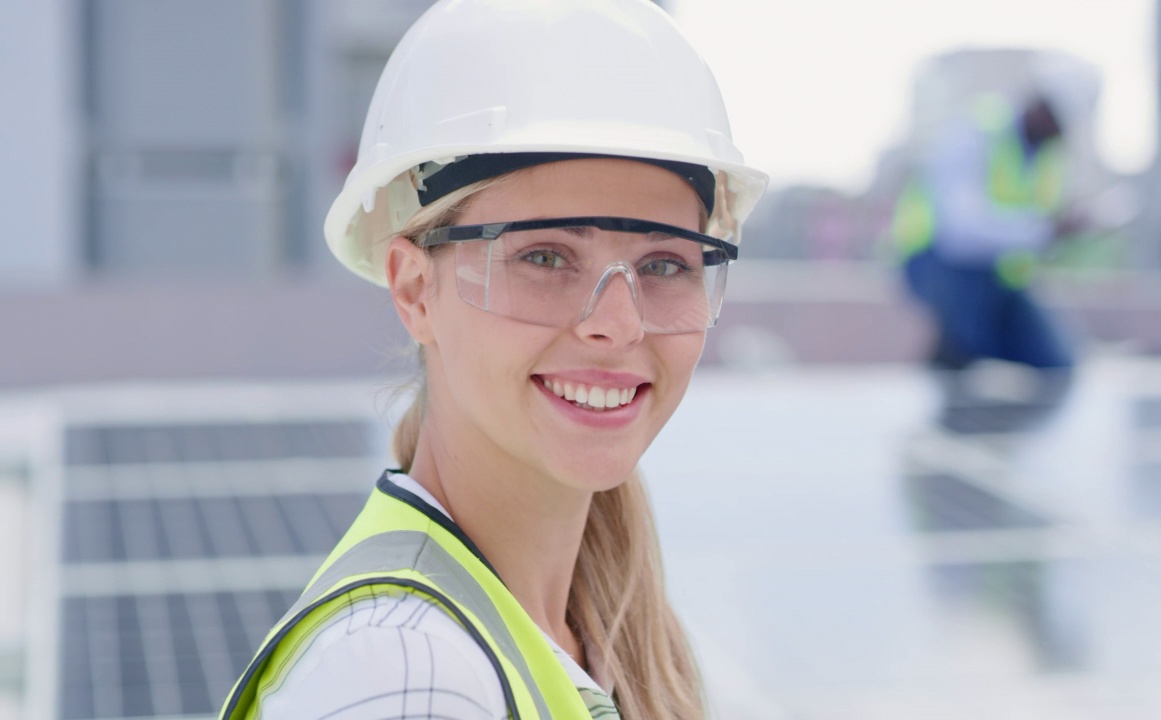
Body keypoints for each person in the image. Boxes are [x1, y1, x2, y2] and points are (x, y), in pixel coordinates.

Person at [219, 1, 766, 719]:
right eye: (545, 257)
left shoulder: (605, 634)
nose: (618, 324)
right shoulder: (404, 675)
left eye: (665, 266)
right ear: (415, 290)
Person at [893, 93, 1078, 430]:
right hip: (938, 263)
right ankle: (954, 354)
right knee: (966, 343)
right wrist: (1041, 231)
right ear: (1039, 105)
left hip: (1003, 279)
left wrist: (1059, 230)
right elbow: (961, 231)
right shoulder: (976, 133)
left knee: (1055, 361)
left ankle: (965, 358)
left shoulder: (1047, 157)